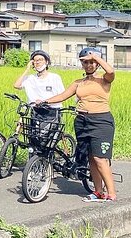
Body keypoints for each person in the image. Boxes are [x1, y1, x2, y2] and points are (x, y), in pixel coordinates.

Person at [39, 47, 117, 202]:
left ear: (97, 64)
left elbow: (111, 71)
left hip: (101, 121)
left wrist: (96, 56)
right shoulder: (78, 83)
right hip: (82, 121)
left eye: (91, 62)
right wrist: (44, 101)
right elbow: (63, 95)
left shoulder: (104, 80)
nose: (88, 65)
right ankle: (98, 192)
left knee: (100, 158)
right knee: (91, 158)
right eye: (85, 62)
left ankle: (112, 193)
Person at [13, 50, 66, 142]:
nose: (38, 62)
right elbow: (16, 85)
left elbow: (62, 95)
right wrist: (27, 69)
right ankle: (35, 156)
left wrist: (45, 101)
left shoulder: (54, 78)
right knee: (33, 139)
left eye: (40, 60)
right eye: (35, 60)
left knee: (46, 141)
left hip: (52, 112)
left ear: (46, 61)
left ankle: (49, 155)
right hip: (35, 111)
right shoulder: (30, 78)